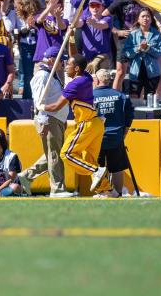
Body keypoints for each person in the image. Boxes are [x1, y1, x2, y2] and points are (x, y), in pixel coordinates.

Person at [43, 54, 112, 195]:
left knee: (66, 153)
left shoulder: (74, 84)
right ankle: (106, 190)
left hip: (86, 123)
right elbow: (76, 55)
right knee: (89, 159)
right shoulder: (85, 76)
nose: (65, 66)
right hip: (96, 123)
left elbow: (56, 106)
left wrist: (41, 107)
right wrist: (72, 35)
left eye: (68, 64)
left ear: (76, 68)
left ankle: (96, 171)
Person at [19, 46, 72, 197]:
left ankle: (27, 176)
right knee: (55, 154)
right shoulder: (42, 76)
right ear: (51, 60)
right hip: (49, 119)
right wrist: (43, 120)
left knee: (54, 153)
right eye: (60, 60)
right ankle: (57, 189)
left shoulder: (51, 74)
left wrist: (63, 118)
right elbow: (39, 101)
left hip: (57, 118)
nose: (63, 63)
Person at [92, 68, 135, 197]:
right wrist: (124, 134)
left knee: (98, 168)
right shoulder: (120, 96)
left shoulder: (91, 96)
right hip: (116, 137)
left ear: (97, 80)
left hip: (97, 137)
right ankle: (118, 194)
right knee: (117, 169)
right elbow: (129, 117)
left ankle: (101, 192)